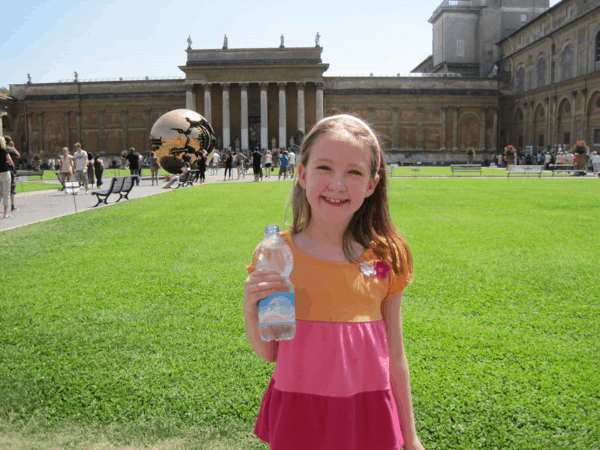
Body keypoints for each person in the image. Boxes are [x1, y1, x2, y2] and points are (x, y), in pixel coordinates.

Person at [243, 114, 425, 450]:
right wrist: (250, 310)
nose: (337, 184)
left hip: (367, 411)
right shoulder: (276, 253)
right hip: (301, 412)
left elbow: (395, 355)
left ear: (372, 184)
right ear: (302, 174)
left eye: (354, 172)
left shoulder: (387, 255)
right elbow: (269, 352)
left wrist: (411, 437)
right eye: (324, 167)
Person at [4, 136, 20, 211]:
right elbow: (18, 155)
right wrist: (13, 147)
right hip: (10, 171)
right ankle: (12, 206)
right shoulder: (10, 149)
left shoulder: (2, 149)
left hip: (2, 171)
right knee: (12, 188)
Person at [0, 137, 15, 218]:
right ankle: (5, 213)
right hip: (5, 173)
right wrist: (7, 164)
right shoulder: (4, 150)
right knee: (6, 194)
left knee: (0, 194)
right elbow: (11, 162)